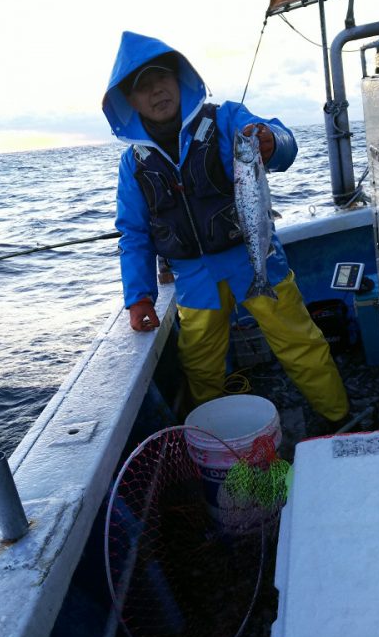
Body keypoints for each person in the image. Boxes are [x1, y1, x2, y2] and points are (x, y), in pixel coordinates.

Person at [102, 31, 349, 428]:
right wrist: (139, 297)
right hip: (193, 279)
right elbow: (133, 234)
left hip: (254, 260)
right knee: (200, 366)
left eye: (161, 78)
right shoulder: (133, 164)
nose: (156, 91)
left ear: (179, 79)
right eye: (142, 87)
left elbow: (280, 138)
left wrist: (273, 142)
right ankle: (217, 437)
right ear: (128, 101)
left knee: (301, 344)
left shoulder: (226, 119)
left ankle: (338, 417)